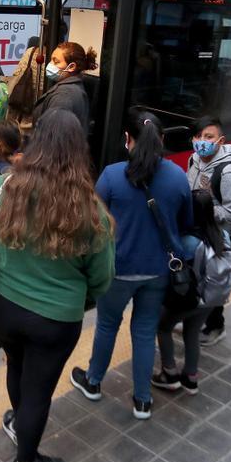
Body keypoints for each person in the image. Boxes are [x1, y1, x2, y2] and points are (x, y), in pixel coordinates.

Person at [0, 109, 114, 462]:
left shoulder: (1, 188)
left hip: (3, 307)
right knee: (39, 388)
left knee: (15, 367)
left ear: (34, 143)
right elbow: (102, 279)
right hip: (54, 321)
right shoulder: (90, 210)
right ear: (78, 150)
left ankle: (18, 422)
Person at [70, 109, 192, 419]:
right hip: (158, 270)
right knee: (144, 330)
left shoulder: (111, 175)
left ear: (127, 140)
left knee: (108, 325)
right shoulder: (178, 176)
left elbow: (93, 224)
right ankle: (142, 400)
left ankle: (94, 382)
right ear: (161, 140)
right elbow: (185, 224)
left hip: (117, 270)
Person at [152, 191, 231, 396]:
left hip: (190, 298)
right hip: (212, 298)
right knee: (192, 332)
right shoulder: (221, 234)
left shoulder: (188, 241)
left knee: (163, 327)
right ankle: (191, 377)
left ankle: (169, 373)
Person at [174, 116, 231, 348]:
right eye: (198, 136)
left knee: (214, 280)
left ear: (220, 141)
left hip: (214, 237)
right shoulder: (194, 160)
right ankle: (193, 319)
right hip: (196, 233)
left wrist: (206, 211)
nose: (202, 141)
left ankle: (216, 325)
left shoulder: (228, 173)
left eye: (209, 137)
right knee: (196, 279)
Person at [31, 42, 95, 137]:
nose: (50, 65)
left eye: (56, 62)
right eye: (51, 60)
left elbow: (53, 138)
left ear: (72, 67)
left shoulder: (64, 97)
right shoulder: (71, 88)